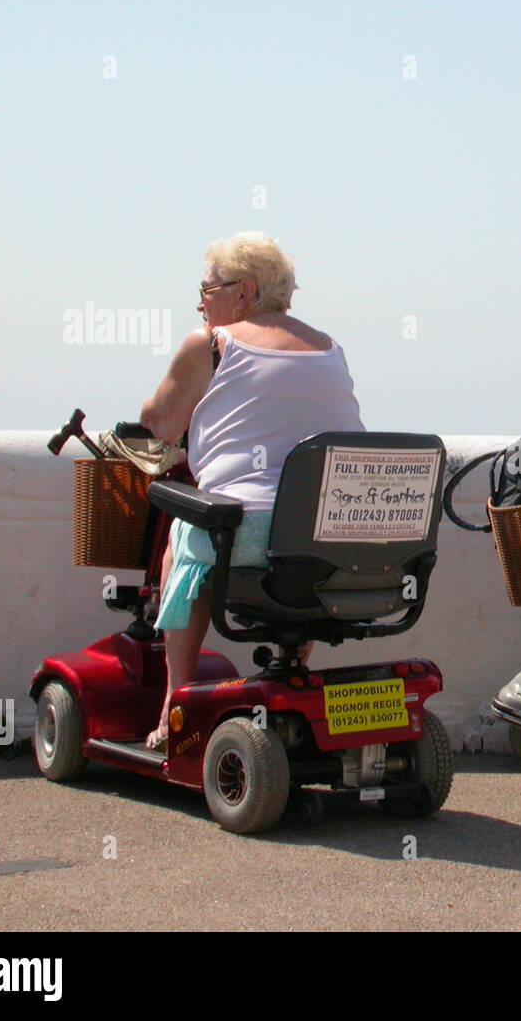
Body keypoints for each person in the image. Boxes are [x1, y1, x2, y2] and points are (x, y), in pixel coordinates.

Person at [139, 232, 364, 749]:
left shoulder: (211, 343)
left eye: (207, 289)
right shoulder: (330, 348)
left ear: (243, 291)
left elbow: (161, 422)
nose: (199, 303)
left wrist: (160, 420)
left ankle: (175, 703)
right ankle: (290, 675)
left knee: (186, 538)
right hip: (334, 534)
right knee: (293, 541)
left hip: (245, 533)